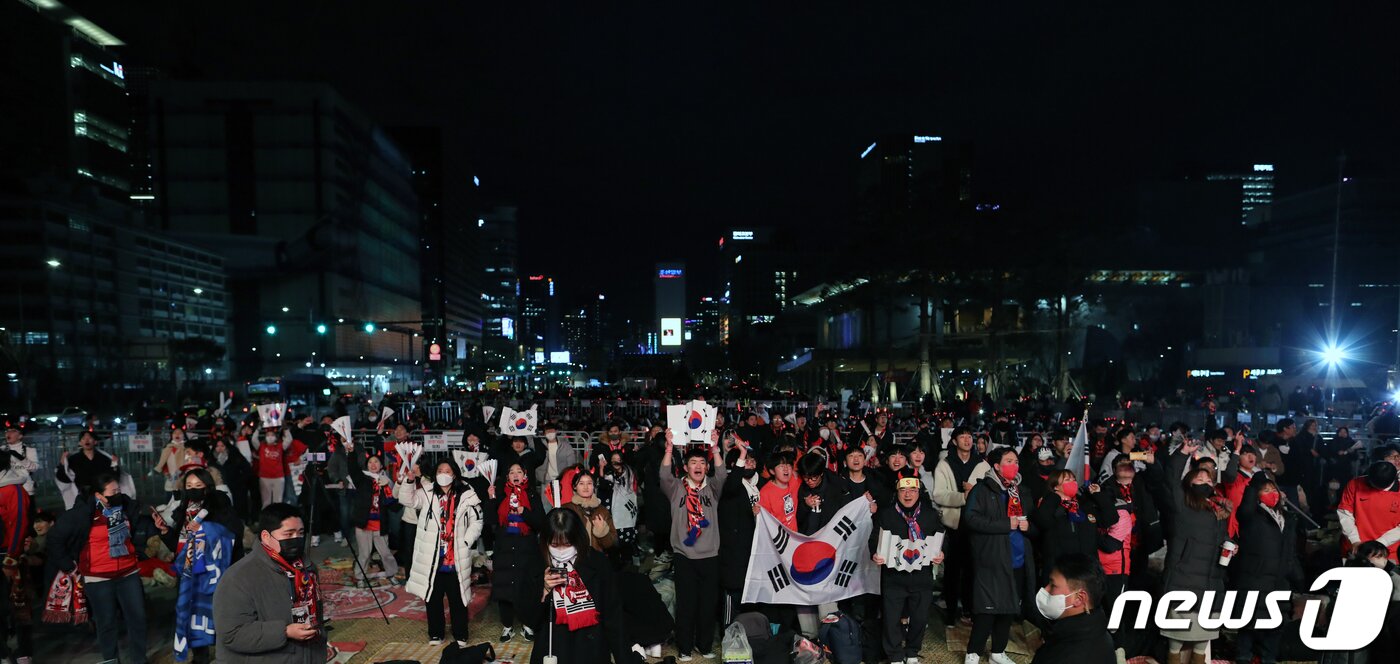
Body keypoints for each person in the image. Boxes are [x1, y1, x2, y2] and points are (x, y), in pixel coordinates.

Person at [47, 472, 148, 664]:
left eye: (119, 490)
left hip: (128, 573)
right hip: (98, 578)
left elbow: (133, 532)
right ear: (98, 495)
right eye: (113, 491)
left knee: (138, 619)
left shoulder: (126, 507)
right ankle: (110, 660)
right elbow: (54, 540)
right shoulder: (82, 514)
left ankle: (139, 660)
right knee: (106, 623)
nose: (118, 494)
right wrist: (69, 566)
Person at [213, 503, 326, 664]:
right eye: (288, 534)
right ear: (266, 537)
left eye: (300, 533)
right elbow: (232, 634)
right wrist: (284, 632)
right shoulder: (238, 578)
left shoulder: (306, 569)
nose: (296, 539)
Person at [516, 508, 632, 664]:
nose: (562, 551)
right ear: (545, 541)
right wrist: (544, 590)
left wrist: (624, 658)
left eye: (568, 544)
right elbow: (528, 619)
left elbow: (614, 616)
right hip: (553, 650)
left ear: (579, 539)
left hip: (591, 650)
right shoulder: (536, 565)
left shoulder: (597, 563)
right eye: (555, 545)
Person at [157, 468, 242, 664]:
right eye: (189, 486)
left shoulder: (219, 503)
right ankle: (200, 656)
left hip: (212, 572)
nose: (193, 490)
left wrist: (204, 529)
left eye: (198, 486)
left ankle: (226, 654)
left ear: (208, 487)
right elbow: (179, 545)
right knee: (192, 612)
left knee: (217, 613)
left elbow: (232, 534)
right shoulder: (184, 508)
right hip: (188, 571)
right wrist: (164, 532)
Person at [397, 458, 484, 646]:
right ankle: (435, 633)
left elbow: (478, 520)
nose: (443, 474)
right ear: (435, 475)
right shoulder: (427, 493)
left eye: (447, 470)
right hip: (433, 557)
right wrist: (410, 480)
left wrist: (467, 540)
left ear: (454, 474)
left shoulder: (467, 494)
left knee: (458, 598)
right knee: (433, 597)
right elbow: (407, 500)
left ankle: (460, 634)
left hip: (456, 556)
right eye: (440, 471)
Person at [963, 447, 1037, 664]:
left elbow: (1032, 520)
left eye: (1016, 461)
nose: (1014, 465)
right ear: (996, 466)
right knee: (988, 608)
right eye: (1008, 461)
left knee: (1009, 607)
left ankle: (998, 652)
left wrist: (1027, 526)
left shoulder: (1020, 490)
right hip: (992, 558)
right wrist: (1007, 524)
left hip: (1017, 557)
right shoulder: (983, 489)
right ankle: (973, 652)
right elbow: (971, 519)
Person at [1161, 440, 1232, 664]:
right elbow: (1169, 477)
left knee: (1202, 644)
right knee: (1177, 640)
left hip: (1211, 582)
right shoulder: (1182, 504)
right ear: (1189, 483)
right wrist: (1182, 454)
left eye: (1209, 480)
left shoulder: (1219, 510)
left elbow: (1222, 540)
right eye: (1199, 479)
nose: (1205, 482)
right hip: (1185, 579)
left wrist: (1230, 545)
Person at [659, 430, 727, 661]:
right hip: (684, 556)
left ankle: (705, 645)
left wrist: (715, 447)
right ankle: (685, 647)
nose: (698, 466)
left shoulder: (712, 489)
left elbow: (722, 473)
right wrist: (669, 448)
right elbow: (664, 474)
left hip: (710, 556)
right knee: (686, 605)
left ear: (706, 467)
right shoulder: (676, 487)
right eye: (693, 462)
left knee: (708, 605)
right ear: (686, 467)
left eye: (701, 462)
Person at [870, 476, 945, 664]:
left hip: (921, 578)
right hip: (893, 578)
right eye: (903, 490)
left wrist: (942, 552)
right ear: (897, 493)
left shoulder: (930, 515)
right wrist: (875, 554)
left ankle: (912, 653)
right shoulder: (886, 514)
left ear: (919, 493)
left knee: (919, 618)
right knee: (891, 618)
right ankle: (895, 655)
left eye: (912, 490)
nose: (908, 494)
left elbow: (943, 538)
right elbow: (873, 539)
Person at [1229, 474, 1301, 664]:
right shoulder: (1252, 514)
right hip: (1255, 576)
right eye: (1265, 490)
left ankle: (1269, 658)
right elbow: (1244, 509)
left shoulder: (1286, 517)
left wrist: (1295, 573)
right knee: (1249, 622)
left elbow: (1290, 549)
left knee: (1276, 623)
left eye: (1273, 490)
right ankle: (1243, 657)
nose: (1272, 494)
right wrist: (1254, 484)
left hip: (1279, 579)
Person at [933, 426, 990, 626]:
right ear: (954, 441)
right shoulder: (945, 464)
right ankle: (950, 611)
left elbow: (989, 492)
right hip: (954, 525)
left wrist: (975, 492)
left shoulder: (982, 465)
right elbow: (938, 494)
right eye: (962, 437)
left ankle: (968, 609)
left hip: (976, 525)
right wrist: (964, 496)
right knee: (952, 571)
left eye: (969, 436)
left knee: (973, 570)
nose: (967, 440)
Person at [487, 462, 545, 643]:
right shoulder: (500, 494)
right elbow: (490, 521)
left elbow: (541, 523)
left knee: (527, 587)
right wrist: (490, 499)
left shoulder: (532, 495)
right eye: (511, 472)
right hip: (504, 547)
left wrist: (524, 512)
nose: (515, 474)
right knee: (504, 587)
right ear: (507, 477)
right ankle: (507, 626)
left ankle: (528, 624)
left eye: (519, 471)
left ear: (525, 475)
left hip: (526, 548)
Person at [1031, 469, 1117, 583]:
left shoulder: (1084, 506)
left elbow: (1111, 518)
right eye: (1067, 480)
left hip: (1087, 573)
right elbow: (1042, 520)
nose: (1073, 482)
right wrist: (1054, 497)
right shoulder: (1051, 507)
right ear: (1056, 486)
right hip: (1060, 574)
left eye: (1074, 479)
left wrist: (1099, 495)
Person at [1029, 554, 1115, 664]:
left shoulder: (1069, 654)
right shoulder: (1096, 629)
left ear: (1079, 598)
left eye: (1053, 585)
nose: (1045, 589)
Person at [0, 448, 33, 664]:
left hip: (8, 556)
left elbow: (20, 524)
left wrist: (11, 558)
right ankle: (3, 651)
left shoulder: (13, 489)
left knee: (18, 606)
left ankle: (24, 651)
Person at [718, 444, 757, 622]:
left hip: (751, 549)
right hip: (733, 553)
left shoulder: (757, 486)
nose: (749, 463)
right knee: (732, 595)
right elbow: (733, 484)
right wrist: (741, 454)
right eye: (744, 461)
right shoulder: (731, 485)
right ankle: (728, 635)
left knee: (747, 595)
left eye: (751, 460)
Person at [347, 451, 399, 585]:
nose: (373, 464)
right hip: (364, 523)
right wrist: (351, 452)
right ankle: (360, 577)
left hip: (380, 524)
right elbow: (352, 468)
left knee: (386, 553)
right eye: (370, 462)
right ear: (367, 466)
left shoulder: (386, 480)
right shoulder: (362, 479)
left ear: (381, 465)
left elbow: (394, 504)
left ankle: (391, 573)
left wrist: (389, 485)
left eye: (376, 461)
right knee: (364, 554)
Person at [1338, 458, 1400, 562]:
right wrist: (1354, 540)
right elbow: (1345, 513)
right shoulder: (1355, 484)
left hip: (1386, 550)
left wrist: (1379, 544)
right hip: (1355, 547)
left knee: (1386, 577)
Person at [54, 430, 119, 509]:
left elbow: (113, 477)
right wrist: (63, 464)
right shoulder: (73, 459)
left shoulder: (104, 459)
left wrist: (114, 465)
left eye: (89, 438)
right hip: (83, 495)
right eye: (83, 438)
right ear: (80, 443)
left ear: (95, 442)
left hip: (101, 495)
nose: (87, 440)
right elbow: (64, 478)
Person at [562, 471, 617, 553]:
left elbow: (611, 544)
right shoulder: (567, 509)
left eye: (589, 483)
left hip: (596, 561)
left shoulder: (602, 511)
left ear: (594, 486)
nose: (585, 487)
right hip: (572, 559)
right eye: (581, 483)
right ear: (574, 487)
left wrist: (602, 532)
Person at [758, 452, 800, 531]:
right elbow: (763, 522)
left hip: (795, 536)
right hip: (779, 537)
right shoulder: (766, 492)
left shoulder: (795, 480)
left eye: (788, 465)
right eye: (781, 466)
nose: (786, 469)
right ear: (772, 471)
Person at [252, 427, 291, 507]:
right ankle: (266, 518)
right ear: (265, 437)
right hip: (264, 477)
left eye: (272, 435)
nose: (270, 437)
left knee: (278, 501)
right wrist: (258, 429)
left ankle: (278, 518)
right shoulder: (261, 446)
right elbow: (254, 440)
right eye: (268, 435)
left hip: (278, 477)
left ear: (276, 437)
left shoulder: (280, 446)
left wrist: (286, 429)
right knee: (266, 502)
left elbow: (289, 439)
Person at [537, 422, 579, 489]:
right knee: (547, 498)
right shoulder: (540, 445)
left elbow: (571, 462)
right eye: (547, 431)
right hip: (547, 479)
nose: (550, 433)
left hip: (562, 478)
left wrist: (568, 476)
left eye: (552, 431)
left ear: (556, 431)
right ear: (544, 434)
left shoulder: (565, 446)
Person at [157, 427, 190, 501]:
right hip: (171, 479)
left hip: (185, 479)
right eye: (175, 433)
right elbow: (164, 464)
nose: (177, 434)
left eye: (180, 433)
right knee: (170, 503)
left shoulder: (188, 448)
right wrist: (166, 473)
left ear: (184, 435)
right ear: (172, 435)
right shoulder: (167, 448)